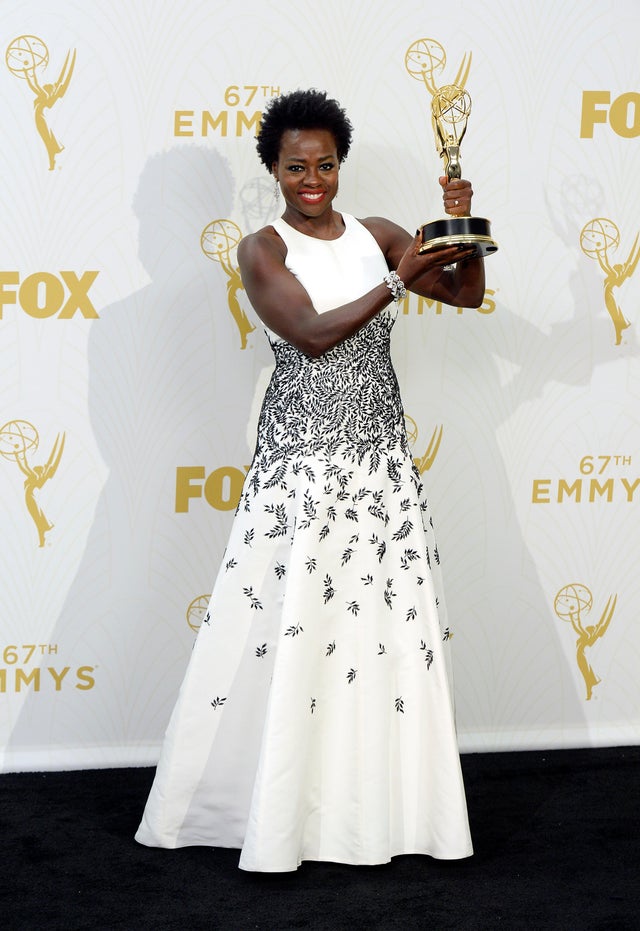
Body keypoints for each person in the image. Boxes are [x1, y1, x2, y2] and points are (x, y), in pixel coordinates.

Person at [135, 88, 485, 872]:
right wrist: (397, 280)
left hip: (379, 472)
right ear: (272, 168)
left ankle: (373, 812)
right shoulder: (262, 250)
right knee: (288, 634)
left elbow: (465, 294)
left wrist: (459, 225)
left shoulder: (381, 235)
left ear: (340, 164)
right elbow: (312, 334)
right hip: (300, 468)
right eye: (297, 166)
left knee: (376, 642)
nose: (313, 179)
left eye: (325, 164)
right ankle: (270, 810)